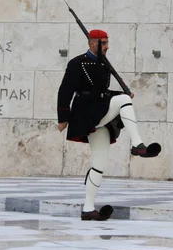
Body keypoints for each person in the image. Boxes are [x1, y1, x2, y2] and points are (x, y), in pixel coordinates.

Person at [57, 29, 161, 221]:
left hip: (100, 110)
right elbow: (65, 90)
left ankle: (88, 209)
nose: (107, 46)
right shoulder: (76, 63)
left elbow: (100, 92)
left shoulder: (104, 64)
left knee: (99, 164)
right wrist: (63, 118)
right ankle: (137, 145)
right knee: (122, 100)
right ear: (91, 43)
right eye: (103, 43)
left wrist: (119, 96)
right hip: (86, 111)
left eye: (106, 42)